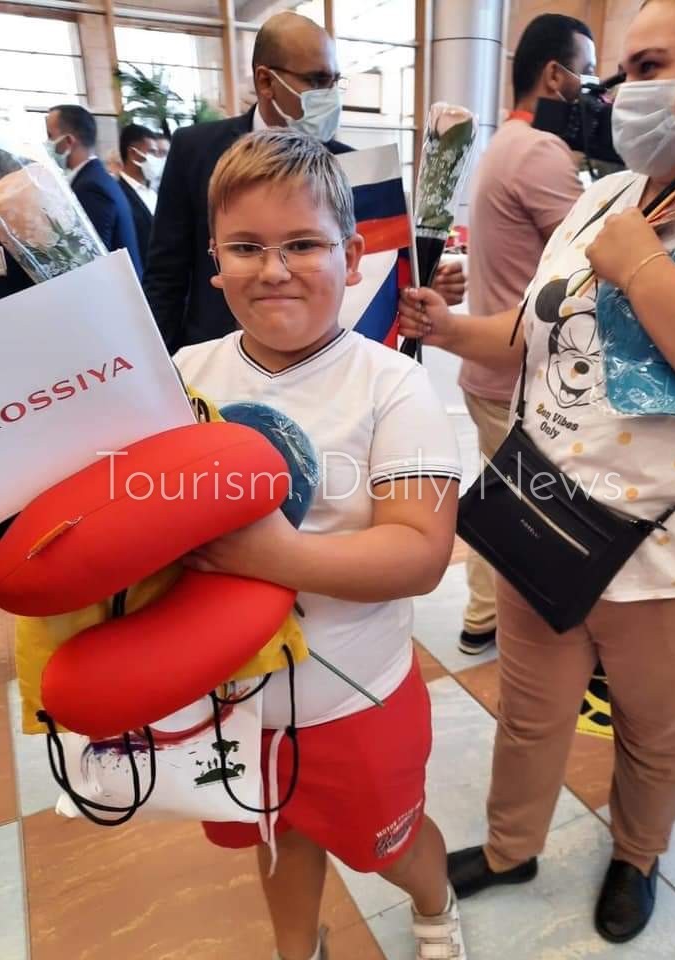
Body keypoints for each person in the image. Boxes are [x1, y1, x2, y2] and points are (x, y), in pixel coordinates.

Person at [399, 0, 675, 944]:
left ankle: (637, 856)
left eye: (651, 65)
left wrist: (644, 268)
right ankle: (512, 848)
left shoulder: (644, 228)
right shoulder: (604, 197)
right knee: (531, 713)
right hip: (541, 515)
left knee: (659, 733)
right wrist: (450, 328)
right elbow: (535, 328)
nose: (623, 93)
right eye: (624, 69)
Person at [174, 129, 466, 960]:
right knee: (277, 837)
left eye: (302, 244)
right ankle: (297, 947)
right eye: (246, 248)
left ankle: (436, 906)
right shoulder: (185, 372)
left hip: (353, 696)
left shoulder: (390, 384)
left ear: (353, 255)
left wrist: (266, 557)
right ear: (215, 262)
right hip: (229, 702)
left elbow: (419, 551)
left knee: (391, 843)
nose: (273, 270)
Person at [144, 11, 464, 352]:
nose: (330, 95)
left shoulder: (353, 168)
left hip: (321, 359)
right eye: (316, 80)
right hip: (216, 353)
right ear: (265, 82)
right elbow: (166, 275)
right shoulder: (195, 150)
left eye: (335, 81)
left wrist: (419, 288)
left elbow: (367, 278)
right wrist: (159, 363)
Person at [457, 13, 595, 657]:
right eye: (585, 75)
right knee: (530, 519)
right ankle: (515, 634)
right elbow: (596, 263)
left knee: (505, 498)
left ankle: (482, 616)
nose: (592, 91)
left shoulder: (505, 142)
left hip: (493, 364)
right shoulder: (540, 151)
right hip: (522, 371)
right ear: (555, 76)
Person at [45, 105, 142, 277]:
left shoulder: (90, 188)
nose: (47, 144)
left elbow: (91, 259)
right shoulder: (95, 178)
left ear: (69, 141)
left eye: (50, 136)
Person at [117, 124, 164, 271]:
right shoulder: (119, 194)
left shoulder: (154, 192)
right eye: (151, 152)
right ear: (132, 153)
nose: (157, 159)